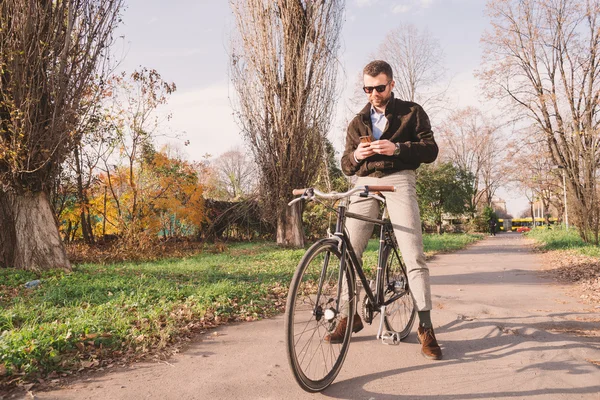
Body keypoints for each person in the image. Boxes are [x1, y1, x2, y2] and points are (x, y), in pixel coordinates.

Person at [326, 60, 442, 360]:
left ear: (391, 84)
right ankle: (348, 315)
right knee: (348, 250)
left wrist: (398, 149)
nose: (373, 94)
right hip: (365, 182)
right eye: (368, 89)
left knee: (413, 252)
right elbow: (345, 163)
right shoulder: (357, 122)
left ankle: (426, 327)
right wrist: (355, 155)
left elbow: (431, 150)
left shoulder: (411, 112)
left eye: (379, 87)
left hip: (399, 179)